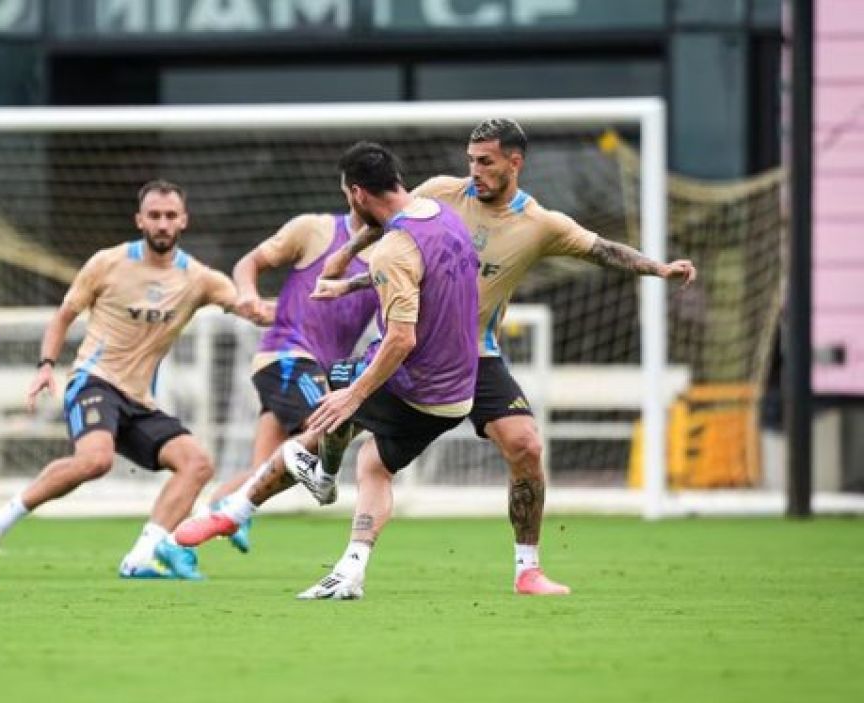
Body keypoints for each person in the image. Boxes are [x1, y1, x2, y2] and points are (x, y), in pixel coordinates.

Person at [315, 118, 698, 594]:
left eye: (486, 162)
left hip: (479, 356)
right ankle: (273, 498)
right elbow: (394, 230)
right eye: (471, 161)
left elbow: (603, 251)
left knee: (526, 446)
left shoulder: (541, 225)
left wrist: (659, 268)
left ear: (514, 163)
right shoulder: (439, 193)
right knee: (352, 431)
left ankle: (527, 568)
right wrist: (344, 260)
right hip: (422, 354)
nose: (473, 171)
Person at [177, 141, 481, 600]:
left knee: (337, 393)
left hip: (415, 380)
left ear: (357, 194)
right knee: (373, 463)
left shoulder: (392, 250)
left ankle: (290, 489)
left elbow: (401, 339)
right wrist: (347, 279)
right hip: (458, 390)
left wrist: (355, 395)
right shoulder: (441, 213)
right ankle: (350, 569)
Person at [0, 179, 273, 581]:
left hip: (139, 402)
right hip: (94, 382)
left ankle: (142, 556)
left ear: (184, 221)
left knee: (196, 464)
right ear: (139, 220)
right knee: (96, 460)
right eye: (155, 216)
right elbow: (63, 316)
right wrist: (45, 365)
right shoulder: (106, 263)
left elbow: (248, 307)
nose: (162, 224)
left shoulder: (199, 278)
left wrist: (278, 311)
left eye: (170, 216)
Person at [200, 207, 378, 553]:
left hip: (315, 369)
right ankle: (324, 480)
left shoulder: (395, 252)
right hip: (288, 358)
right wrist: (248, 295)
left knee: (263, 472)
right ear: (353, 192)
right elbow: (248, 263)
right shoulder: (314, 230)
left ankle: (183, 537)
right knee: (326, 423)